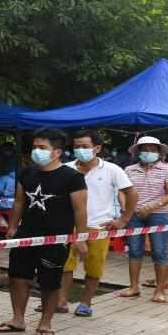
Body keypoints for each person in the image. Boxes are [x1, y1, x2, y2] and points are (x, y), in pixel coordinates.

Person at [0, 129, 87, 335]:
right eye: (35, 147)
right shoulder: (26, 173)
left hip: (56, 239)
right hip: (26, 235)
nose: (37, 152)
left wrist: (80, 238)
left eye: (42, 148)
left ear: (57, 152)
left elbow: (81, 210)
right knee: (17, 276)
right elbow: (19, 201)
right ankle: (18, 319)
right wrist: (12, 227)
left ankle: (45, 322)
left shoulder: (72, 177)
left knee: (50, 281)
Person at [52, 130, 137, 317]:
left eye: (85, 146)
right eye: (76, 146)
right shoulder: (65, 168)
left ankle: (86, 302)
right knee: (65, 266)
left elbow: (132, 193)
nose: (80, 150)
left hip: (99, 227)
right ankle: (61, 301)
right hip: (69, 227)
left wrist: (124, 219)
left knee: (94, 267)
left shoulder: (112, 170)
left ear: (97, 148)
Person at [118, 136, 168, 303]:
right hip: (134, 215)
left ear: (159, 153)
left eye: (153, 150)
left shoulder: (167, 170)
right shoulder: (129, 170)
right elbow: (122, 191)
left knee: (160, 252)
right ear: (138, 152)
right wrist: (126, 209)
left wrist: (152, 207)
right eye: (145, 150)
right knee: (134, 251)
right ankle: (134, 287)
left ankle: (160, 290)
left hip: (159, 215)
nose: (148, 153)